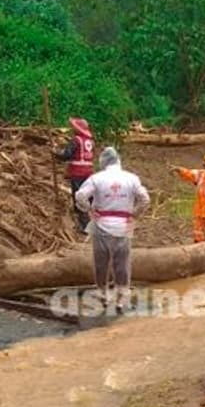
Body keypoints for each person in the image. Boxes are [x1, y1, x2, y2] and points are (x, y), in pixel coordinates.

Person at [74, 147, 151, 313]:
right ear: (118, 161)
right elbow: (145, 199)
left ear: (103, 161)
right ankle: (121, 299)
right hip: (124, 224)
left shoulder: (96, 178)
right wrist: (134, 214)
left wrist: (88, 209)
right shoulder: (131, 178)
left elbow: (80, 195)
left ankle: (103, 294)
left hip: (101, 223)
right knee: (122, 263)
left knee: (101, 262)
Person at [55, 117, 96, 233]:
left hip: (77, 173)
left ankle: (86, 226)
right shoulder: (90, 141)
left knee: (79, 198)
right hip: (88, 172)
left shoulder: (76, 140)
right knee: (89, 197)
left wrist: (55, 153)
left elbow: (66, 155)